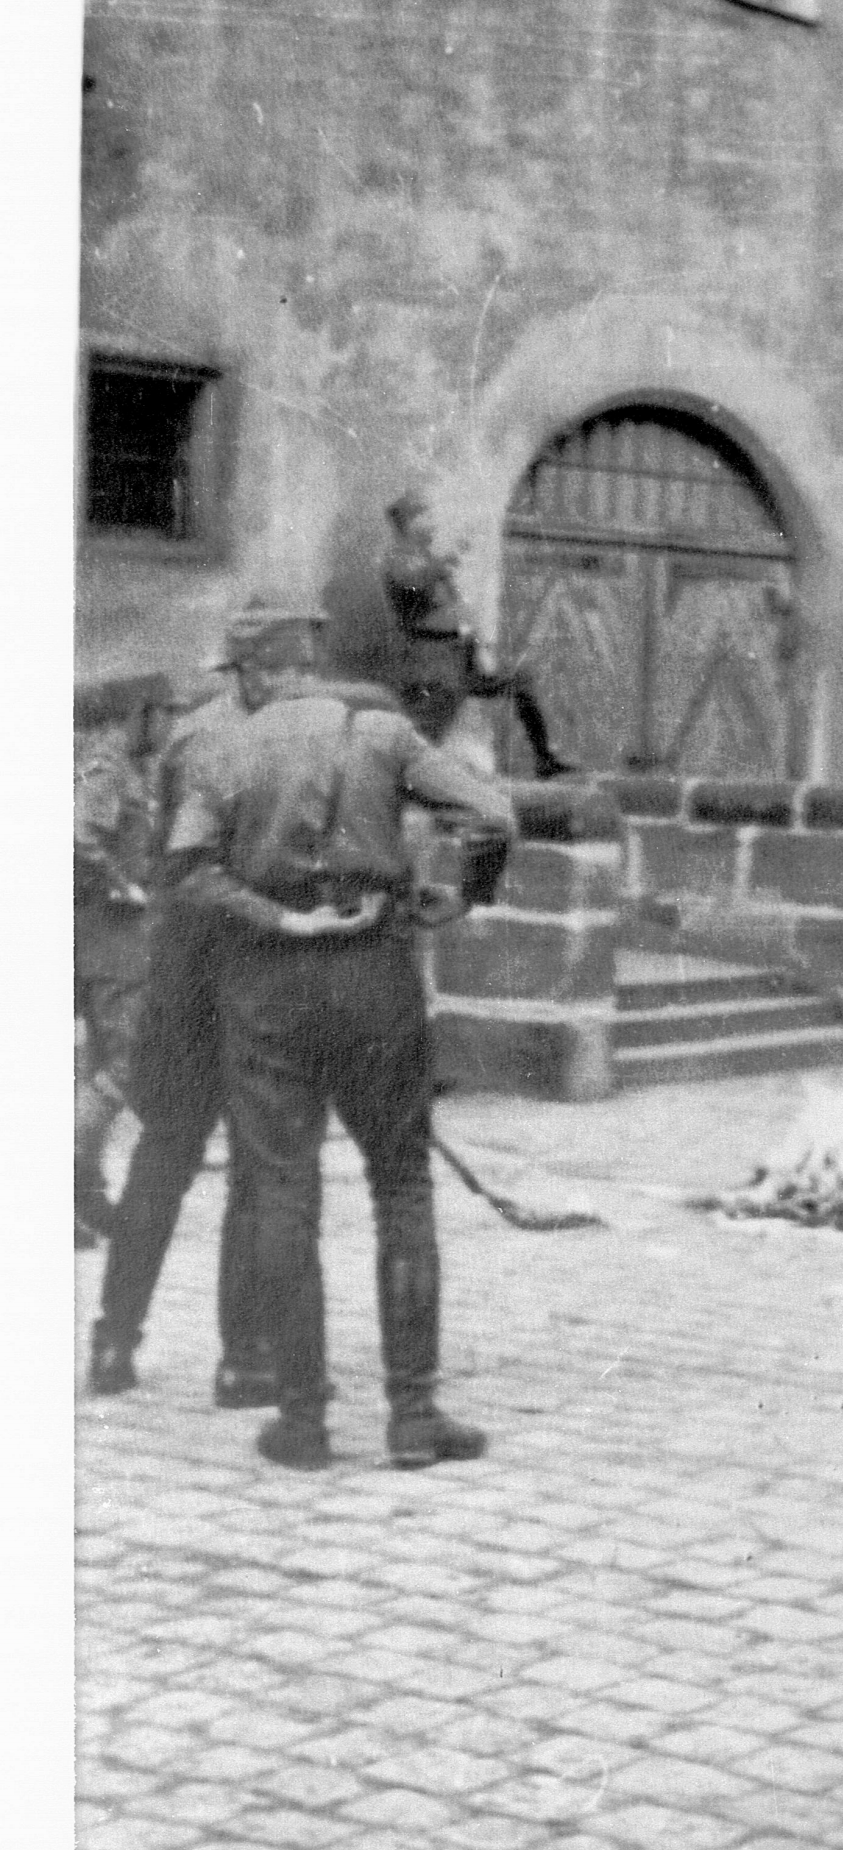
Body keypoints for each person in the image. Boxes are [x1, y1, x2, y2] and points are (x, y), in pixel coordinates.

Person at [165, 610, 516, 1470]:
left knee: (282, 1192)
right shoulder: (383, 731)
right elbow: (492, 814)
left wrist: (280, 913)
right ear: (310, 660)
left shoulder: (223, 749)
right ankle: (413, 1415)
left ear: (249, 674)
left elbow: (186, 873)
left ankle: (304, 1420)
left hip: (268, 988)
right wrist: (459, 894)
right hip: (376, 978)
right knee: (400, 1186)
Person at [89, 601, 394, 1404]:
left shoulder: (199, 735)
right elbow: (201, 868)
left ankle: (116, 1342)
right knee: (244, 1174)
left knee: (172, 1159)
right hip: (234, 977)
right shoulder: (238, 742)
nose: (301, 683)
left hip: (193, 974)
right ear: (260, 672)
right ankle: (238, 1357)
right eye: (290, 668)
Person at [381, 487, 572, 774]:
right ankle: (403, 777)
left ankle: (544, 760)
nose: (432, 522)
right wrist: (446, 561)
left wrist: (474, 636)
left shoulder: (424, 556)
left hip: (456, 657)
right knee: (426, 732)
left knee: (520, 683)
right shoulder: (398, 557)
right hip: (430, 660)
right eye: (424, 515)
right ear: (407, 523)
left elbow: (450, 604)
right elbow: (413, 582)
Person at [74, 677, 169, 1248]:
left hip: (113, 943)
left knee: (103, 1067)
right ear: (142, 714)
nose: (168, 728)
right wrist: (124, 885)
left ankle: (85, 1195)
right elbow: (81, 835)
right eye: (164, 716)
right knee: (127, 1064)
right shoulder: (109, 768)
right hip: (115, 944)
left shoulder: (120, 767)